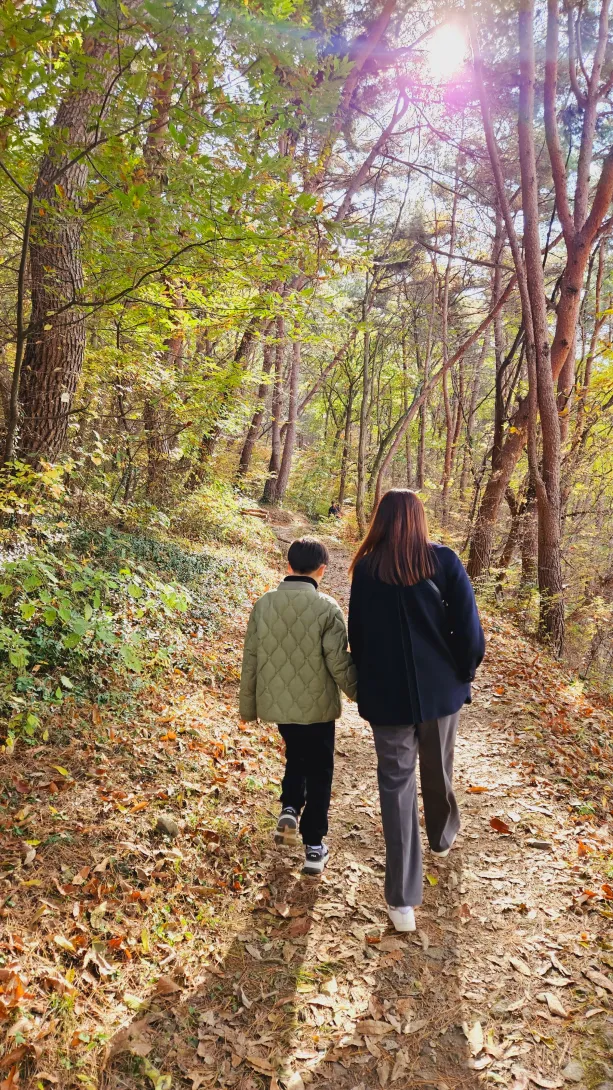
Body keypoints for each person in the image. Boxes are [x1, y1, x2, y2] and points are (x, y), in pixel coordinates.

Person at [348, 490, 484, 931]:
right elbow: (469, 629)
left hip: (386, 696)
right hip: (441, 689)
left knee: (396, 787)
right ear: (419, 518)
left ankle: (402, 901)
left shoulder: (366, 568)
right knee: (438, 765)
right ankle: (442, 837)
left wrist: (368, 683)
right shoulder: (443, 561)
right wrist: (464, 674)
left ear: (380, 520)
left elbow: (359, 635)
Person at [239, 536, 357, 875]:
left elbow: (251, 658)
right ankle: (314, 846)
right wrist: (362, 694)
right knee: (320, 769)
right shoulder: (327, 608)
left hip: (278, 704)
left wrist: (248, 706)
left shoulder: (264, 604)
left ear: (288, 566)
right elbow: (338, 663)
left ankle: (290, 807)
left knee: (296, 754)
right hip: (317, 707)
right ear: (322, 570)